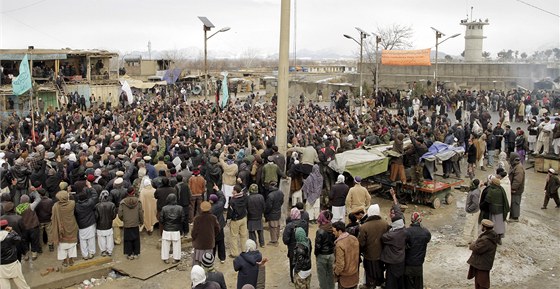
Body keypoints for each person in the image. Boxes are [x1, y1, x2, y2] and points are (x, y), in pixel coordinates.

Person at [358, 204, 389, 289]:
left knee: (370, 275)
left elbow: (361, 243)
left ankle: (371, 286)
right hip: (381, 255)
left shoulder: (364, 226)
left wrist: (360, 252)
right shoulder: (385, 224)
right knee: (380, 272)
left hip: (369, 255)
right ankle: (379, 284)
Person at [380, 194, 407, 289]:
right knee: (400, 280)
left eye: (392, 214)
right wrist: (394, 196)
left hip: (392, 261)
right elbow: (397, 209)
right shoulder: (403, 228)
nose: (390, 214)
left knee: (391, 281)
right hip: (401, 259)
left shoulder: (392, 235)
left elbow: (383, 237)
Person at [467, 219, 499, 289]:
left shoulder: (485, 239)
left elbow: (477, 249)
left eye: (482, 226)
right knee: (479, 281)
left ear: (484, 227)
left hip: (482, 264)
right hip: (483, 263)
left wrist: (472, 245)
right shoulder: (490, 236)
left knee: (482, 283)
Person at [51, 190, 79, 267]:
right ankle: (71, 260)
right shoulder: (72, 204)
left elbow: (53, 218)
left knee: (62, 246)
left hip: (61, 229)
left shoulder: (55, 206)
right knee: (72, 245)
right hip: (71, 227)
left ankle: (65, 261)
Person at [404, 212, 431, 289]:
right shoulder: (425, 232)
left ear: (411, 220)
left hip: (408, 263)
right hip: (419, 264)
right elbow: (427, 239)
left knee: (408, 284)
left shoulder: (407, 231)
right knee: (418, 284)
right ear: (420, 220)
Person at [0, 219, 31, 289]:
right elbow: (19, 239)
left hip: (1, 266)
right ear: (6, 226)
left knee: (4, 286)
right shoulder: (10, 236)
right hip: (12, 264)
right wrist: (12, 231)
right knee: (21, 283)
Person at [479, 176, 509, 245]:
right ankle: (499, 239)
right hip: (501, 211)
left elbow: (487, 201)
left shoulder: (492, 191)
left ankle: (493, 239)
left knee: (494, 226)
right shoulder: (501, 189)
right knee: (500, 225)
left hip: (494, 211)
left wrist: (481, 206)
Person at [283, 207, 309, 282]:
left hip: (292, 247)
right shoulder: (304, 223)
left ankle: (293, 279)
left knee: (293, 263)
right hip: (303, 245)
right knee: (303, 261)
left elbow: (285, 240)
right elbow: (306, 234)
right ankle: (302, 278)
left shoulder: (289, 226)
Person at [332, 221, 360, 289]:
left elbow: (340, 265)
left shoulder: (339, 244)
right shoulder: (354, 238)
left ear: (340, 231)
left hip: (345, 279)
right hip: (354, 275)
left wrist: (335, 273)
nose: (333, 233)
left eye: (334, 231)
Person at [118, 187, 143, 260]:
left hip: (127, 223)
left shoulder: (122, 202)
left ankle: (129, 254)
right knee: (136, 239)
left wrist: (124, 220)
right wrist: (141, 221)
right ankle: (136, 253)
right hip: (135, 223)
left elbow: (120, 214)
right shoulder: (138, 201)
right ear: (133, 192)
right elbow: (140, 212)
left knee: (127, 239)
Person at [74, 184, 98, 260]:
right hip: (91, 223)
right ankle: (91, 253)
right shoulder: (90, 202)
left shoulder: (76, 206)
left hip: (82, 225)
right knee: (91, 239)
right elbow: (95, 195)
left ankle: (85, 255)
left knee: (83, 240)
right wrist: (90, 187)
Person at [192, 201, 220, 265]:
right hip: (209, 243)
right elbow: (217, 229)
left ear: (201, 208)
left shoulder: (197, 218)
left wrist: (194, 238)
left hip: (199, 244)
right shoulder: (213, 218)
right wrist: (212, 236)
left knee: (198, 263)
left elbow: (194, 232)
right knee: (208, 262)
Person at [314, 210, 335, 289]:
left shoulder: (320, 231)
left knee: (322, 275)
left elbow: (318, 246)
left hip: (322, 255)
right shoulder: (333, 228)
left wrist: (316, 254)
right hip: (331, 254)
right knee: (331, 274)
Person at [160, 194, 183, 264]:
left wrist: (165, 224)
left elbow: (161, 219)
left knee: (165, 245)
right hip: (176, 229)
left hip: (166, 229)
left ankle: (165, 258)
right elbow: (183, 219)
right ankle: (176, 258)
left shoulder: (164, 208)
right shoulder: (180, 208)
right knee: (177, 245)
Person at [227, 185, 249, 258]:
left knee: (234, 236)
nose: (232, 191)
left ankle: (234, 253)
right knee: (244, 235)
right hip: (243, 218)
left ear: (235, 191)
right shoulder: (244, 196)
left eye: (233, 190)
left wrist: (228, 219)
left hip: (235, 220)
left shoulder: (232, 200)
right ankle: (244, 250)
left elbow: (230, 212)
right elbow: (245, 190)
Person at [458, 179, 481, 247]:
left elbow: (475, 204)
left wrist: (469, 209)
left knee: (468, 226)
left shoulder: (474, 193)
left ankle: (465, 241)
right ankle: (474, 239)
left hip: (472, 213)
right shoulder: (477, 190)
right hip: (476, 212)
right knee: (474, 226)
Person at [95, 190, 116, 257]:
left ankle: (103, 251)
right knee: (109, 238)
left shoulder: (97, 206)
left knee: (101, 239)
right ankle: (109, 251)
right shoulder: (112, 205)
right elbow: (114, 216)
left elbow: (96, 217)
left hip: (100, 225)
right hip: (109, 224)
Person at [264, 181, 283, 246]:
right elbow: (281, 202)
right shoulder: (280, 193)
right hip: (278, 211)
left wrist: (266, 212)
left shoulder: (270, 195)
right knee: (277, 226)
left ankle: (274, 241)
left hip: (272, 213)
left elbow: (268, 206)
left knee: (273, 227)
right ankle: (276, 239)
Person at [508, 152, 525, 222]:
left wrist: (513, 188)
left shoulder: (519, 168)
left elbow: (518, 180)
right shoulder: (514, 165)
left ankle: (515, 217)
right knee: (512, 201)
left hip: (517, 189)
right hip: (514, 188)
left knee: (515, 202)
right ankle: (512, 215)